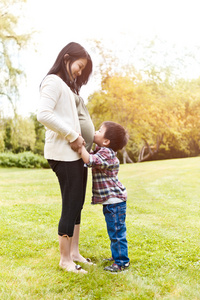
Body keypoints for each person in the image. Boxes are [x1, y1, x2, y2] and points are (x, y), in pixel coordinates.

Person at [37, 42, 95, 274]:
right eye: (79, 66)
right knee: (70, 204)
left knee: (77, 203)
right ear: (67, 58)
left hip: (75, 154)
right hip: (63, 154)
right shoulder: (52, 81)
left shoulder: (65, 86)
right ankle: (65, 259)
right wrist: (73, 135)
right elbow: (43, 114)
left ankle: (74, 252)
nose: (79, 72)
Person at [79, 121, 130, 272]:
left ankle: (122, 262)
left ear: (106, 141)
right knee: (113, 230)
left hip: (115, 202)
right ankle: (117, 256)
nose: (95, 132)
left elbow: (90, 160)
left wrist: (80, 146)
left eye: (99, 131)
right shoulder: (103, 150)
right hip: (112, 202)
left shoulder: (106, 153)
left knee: (116, 232)